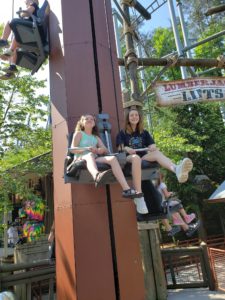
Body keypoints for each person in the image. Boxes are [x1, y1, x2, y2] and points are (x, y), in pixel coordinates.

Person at [70, 114, 146, 212]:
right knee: (89, 155)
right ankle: (96, 176)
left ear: (94, 123)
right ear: (82, 123)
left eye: (91, 119)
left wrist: (98, 150)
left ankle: (126, 189)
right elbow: (72, 149)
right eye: (86, 119)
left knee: (112, 159)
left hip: (94, 157)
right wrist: (86, 149)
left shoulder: (95, 137)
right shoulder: (79, 134)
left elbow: (105, 149)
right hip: (81, 158)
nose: (89, 120)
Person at [0, 0, 39, 79]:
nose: (26, 4)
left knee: (10, 22)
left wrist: (21, 14)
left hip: (32, 31)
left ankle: (3, 40)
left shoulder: (33, 5)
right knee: (15, 45)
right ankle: (12, 67)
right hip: (29, 33)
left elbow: (26, 12)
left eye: (27, 3)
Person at [156, 173, 200, 237]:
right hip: (163, 205)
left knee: (174, 210)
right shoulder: (162, 184)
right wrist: (171, 193)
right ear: (162, 178)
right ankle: (186, 217)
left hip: (158, 206)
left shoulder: (154, 186)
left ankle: (185, 228)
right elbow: (166, 195)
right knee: (177, 202)